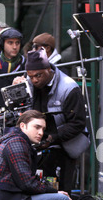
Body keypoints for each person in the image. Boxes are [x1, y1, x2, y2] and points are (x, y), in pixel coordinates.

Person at [13, 49, 87, 192]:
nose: (34, 80)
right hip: (35, 145)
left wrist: (53, 137)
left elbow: (78, 123)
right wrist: (18, 89)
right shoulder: (28, 83)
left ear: (49, 69)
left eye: (38, 75)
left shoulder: (69, 88)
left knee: (61, 190)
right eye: (31, 76)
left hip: (63, 146)